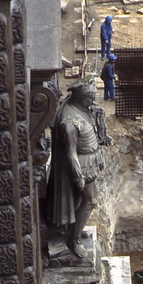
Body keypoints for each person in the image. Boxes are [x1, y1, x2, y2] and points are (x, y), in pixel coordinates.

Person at [47, 77, 109, 258]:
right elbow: (71, 153)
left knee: (80, 201)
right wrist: (78, 176)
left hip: (90, 163)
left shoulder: (81, 109)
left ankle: (74, 231)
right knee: (90, 201)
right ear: (82, 99)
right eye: (90, 98)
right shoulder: (69, 123)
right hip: (82, 167)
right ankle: (74, 241)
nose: (93, 102)